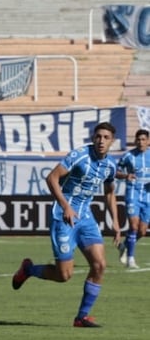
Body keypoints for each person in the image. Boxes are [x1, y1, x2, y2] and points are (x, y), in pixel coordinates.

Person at [11, 121, 121, 328]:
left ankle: (81, 317)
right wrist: (65, 206)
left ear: (112, 141)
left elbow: (109, 192)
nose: (101, 141)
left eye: (106, 138)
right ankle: (28, 269)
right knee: (64, 275)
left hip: (85, 218)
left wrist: (115, 222)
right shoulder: (78, 155)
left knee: (100, 265)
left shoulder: (111, 165)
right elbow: (51, 178)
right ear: (93, 138)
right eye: (98, 136)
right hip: (63, 216)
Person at [115, 128, 150, 268]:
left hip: (148, 196)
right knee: (134, 226)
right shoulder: (128, 156)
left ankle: (124, 245)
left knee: (142, 231)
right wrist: (125, 176)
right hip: (132, 194)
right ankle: (130, 259)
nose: (141, 142)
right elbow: (115, 171)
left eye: (143, 139)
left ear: (148, 141)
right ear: (135, 141)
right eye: (138, 139)